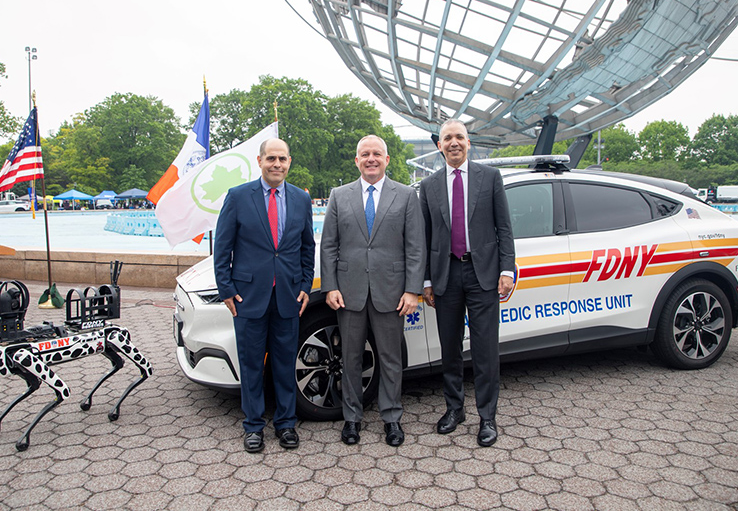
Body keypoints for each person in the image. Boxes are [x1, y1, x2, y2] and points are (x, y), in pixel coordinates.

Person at [320, 134, 425, 447]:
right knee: (350, 358)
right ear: (357, 161)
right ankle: (352, 419)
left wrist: (412, 290)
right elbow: (329, 245)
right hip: (348, 292)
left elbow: (415, 247)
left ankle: (391, 418)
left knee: (390, 359)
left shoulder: (405, 196)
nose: (371, 159)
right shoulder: (339, 196)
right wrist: (330, 286)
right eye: (365, 154)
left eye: (377, 154)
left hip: (391, 293)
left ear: (387, 159)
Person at [213, 137, 315, 453]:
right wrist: (226, 289)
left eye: (282, 159)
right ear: (259, 161)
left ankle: (286, 424)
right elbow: (222, 247)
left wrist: (305, 286)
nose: (277, 164)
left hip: (288, 296)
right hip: (247, 297)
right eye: (271, 158)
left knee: (285, 364)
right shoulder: (238, 197)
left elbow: (307, 247)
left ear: (289, 162)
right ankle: (253, 426)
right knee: (251, 365)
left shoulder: (301, 199)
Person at [419, 119, 515, 447]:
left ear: (468, 142)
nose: (454, 143)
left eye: (459, 137)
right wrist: (427, 280)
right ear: (439, 145)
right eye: (448, 138)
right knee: (450, 349)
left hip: (482, 273)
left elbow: (504, 228)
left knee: (485, 350)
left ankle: (487, 417)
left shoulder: (490, 178)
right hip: (445, 275)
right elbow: (425, 237)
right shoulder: (429, 186)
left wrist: (507, 270)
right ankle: (454, 409)